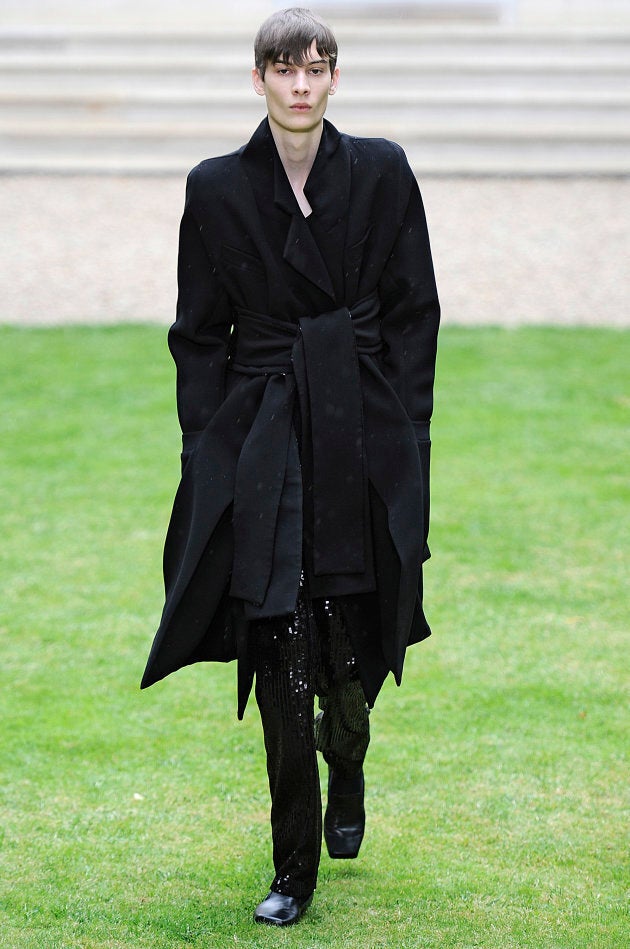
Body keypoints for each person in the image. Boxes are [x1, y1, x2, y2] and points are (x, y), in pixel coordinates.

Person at [141, 6, 440, 927]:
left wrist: (408, 433)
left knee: (350, 643)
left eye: (317, 68)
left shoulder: (383, 173)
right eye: (284, 69)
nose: (301, 84)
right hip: (265, 432)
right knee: (279, 640)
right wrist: (207, 449)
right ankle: (292, 867)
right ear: (259, 80)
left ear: (335, 79)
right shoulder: (219, 187)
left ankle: (346, 754)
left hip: (359, 426)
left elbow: (413, 311)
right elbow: (197, 334)